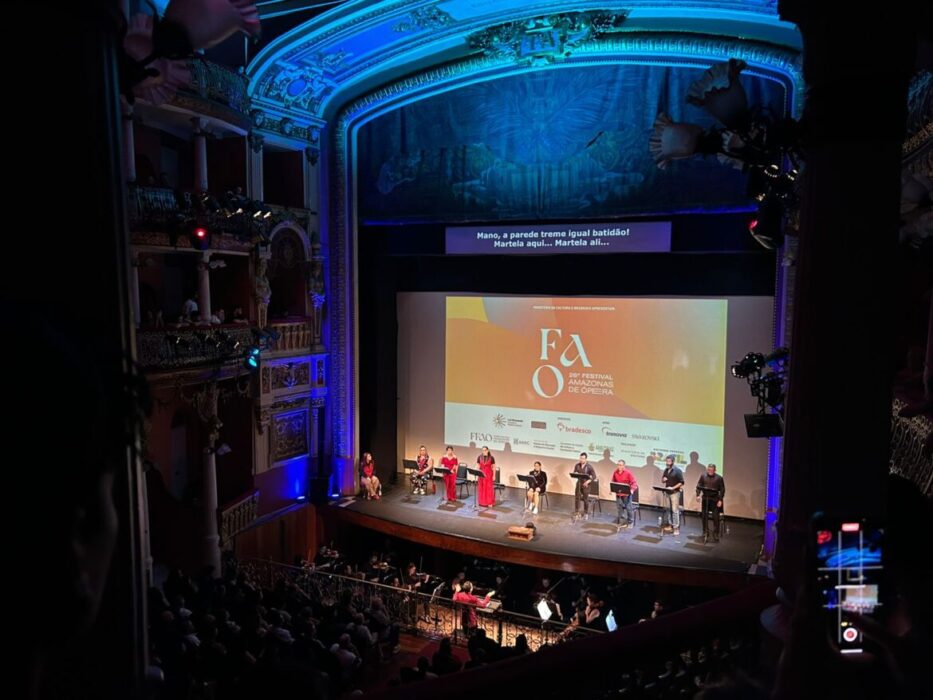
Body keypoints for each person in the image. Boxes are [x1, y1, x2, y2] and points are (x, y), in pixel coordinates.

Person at [695, 463, 725, 541]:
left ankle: (716, 533)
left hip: (714, 499)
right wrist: (698, 495)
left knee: (715, 517)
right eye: (708, 470)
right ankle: (705, 531)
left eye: (711, 470)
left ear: (715, 470)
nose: (710, 471)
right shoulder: (703, 476)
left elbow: (722, 490)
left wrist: (720, 500)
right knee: (704, 516)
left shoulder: (719, 478)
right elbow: (698, 486)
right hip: (705, 499)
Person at [660, 455, 684, 534]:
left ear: (673, 462)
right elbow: (663, 480)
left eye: (669, 461)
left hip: (675, 493)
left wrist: (673, 488)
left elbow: (681, 482)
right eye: (666, 461)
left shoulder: (677, 471)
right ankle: (670, 525)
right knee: (668, 509)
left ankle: (676, 528)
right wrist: (663, 480)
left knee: (675, 510)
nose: (667, 463)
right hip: (667, 492)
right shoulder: (666, 470)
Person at [611, 459, 638, 528]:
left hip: (626, 494)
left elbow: (634, 483)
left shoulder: (628, 473)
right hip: (619, 494)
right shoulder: (615, 472)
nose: (619, 466)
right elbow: (613, 481)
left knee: (628, 508)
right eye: (618, 465)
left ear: (624, 466)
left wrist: (632, 490)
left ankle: (630, 522)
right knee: (620, 508)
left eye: (620, 465)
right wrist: (611, 489)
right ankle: (622, 521)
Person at [573, 452, 597, 519]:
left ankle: (586, 512)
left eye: (583, 458)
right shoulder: (577, 465)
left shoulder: (589, 467)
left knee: (585, 499)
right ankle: (577, 512)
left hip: (586, 485)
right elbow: (575, 472)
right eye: (580, 458)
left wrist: (588, 481)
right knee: (577, 498)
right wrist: (575, 473)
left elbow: (594, 476)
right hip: (579, 484)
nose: (581, 460)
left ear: (586, 459)